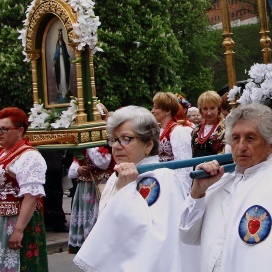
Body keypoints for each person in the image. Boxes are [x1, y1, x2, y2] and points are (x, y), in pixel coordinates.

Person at [179, 103, 272, 272]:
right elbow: (187, 236)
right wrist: (198, 192)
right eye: (235, 138)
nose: (241, 147)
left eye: (250, 138)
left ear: (271, 144)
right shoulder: (218, 183)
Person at [74, 106, 188, 272]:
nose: (117, 146)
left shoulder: (163, 178)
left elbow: (157, 241)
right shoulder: (117, 176)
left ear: (148, 144)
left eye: (126, 139)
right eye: (113, 139)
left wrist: (126, 192)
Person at [0, 107, 48, 272]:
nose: (0, 133)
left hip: (18, 221)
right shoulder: (3, 153)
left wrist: (18, 230)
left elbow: (31, 196)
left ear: (20, 131)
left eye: (5, 129)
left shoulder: (29, 156)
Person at [67, 146, 113, 253]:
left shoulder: (103, 147)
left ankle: (100, 243)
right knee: (86, 215)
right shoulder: (81, 151)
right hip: (85, 188)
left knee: (99, 213)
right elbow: (71, 172)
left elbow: (103, 163)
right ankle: (86, 244)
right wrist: (79, 169)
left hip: (100, 185)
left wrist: (89, 147)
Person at [151, 91, 193, 188]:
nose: (152, 111)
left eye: (156, 108)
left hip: (173, 183)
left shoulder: (178, 131)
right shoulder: (159, 131)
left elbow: (184, 166)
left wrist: (181, 190)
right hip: (159, 181)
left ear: (168, 111)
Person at [191, 90, 228, 158]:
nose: (209, 112)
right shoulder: (196, 130)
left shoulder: (224, 128)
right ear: (201, 110)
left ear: (218, 109)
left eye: (212, 108)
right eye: (205, 109)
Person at [53, 28, 71, 98]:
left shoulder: (63, 44)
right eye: (59, 35)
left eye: (61, 35)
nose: (60, 37)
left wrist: (69, 58)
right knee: (59, 74)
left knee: (64, 74)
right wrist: (54, 60)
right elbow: (56, 53)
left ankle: (66, 90)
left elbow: (66, 52)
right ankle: (60, 90)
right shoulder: (57, 44)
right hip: (59, 62)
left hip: (64, 61)